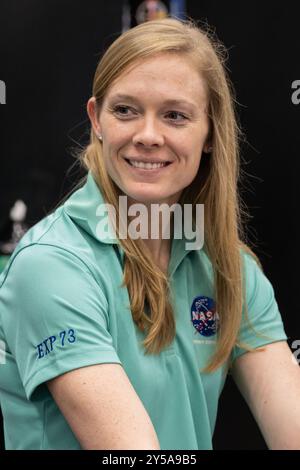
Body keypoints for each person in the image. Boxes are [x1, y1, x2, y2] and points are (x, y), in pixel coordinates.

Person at [0, 16, 299, 451]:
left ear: (211, 132)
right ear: (96, 119)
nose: (147, 135)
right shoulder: (50, 265)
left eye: (175, 116)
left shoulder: (230, 268)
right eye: (125, 110)